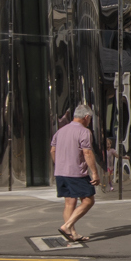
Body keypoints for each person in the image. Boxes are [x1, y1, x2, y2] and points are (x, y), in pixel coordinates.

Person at [52, 102, 102, 244]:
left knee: (69, 202)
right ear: (86, 117)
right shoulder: (84, 132)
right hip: (76, 173)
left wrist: (59, 164)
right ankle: (67, 226)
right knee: (88, 200)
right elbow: (87, 152)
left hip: (61, 172)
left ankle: (72, 233)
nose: (89, 122)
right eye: (90, 119)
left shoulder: (60, 131)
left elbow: (52, 150)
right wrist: (95, 173)